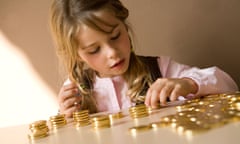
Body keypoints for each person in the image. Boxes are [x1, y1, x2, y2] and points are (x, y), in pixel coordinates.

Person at [50, 0, 238, 118]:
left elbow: (228, 84)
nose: (112, 53)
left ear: (125, 26)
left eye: (115, 36)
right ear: (77, 55)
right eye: (94, 50)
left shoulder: (160, 69)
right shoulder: (75, 91)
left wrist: (189, 83)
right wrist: (66, 116)